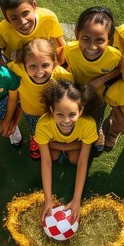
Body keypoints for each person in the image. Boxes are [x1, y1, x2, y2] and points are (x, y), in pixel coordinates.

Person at [35, 81, 99, 222]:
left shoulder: (88, 124)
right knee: (52, 156)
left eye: (72, 114)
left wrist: (76, 200)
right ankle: (62, 148)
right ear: (51, 110)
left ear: (81, 111)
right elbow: (45, 161)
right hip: (72, 144)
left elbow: (83, 162)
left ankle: (61, 147)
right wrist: (47, 199)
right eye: (60, 114)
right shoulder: (43, 124)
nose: (66, 121)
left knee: (75, 160)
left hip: (62, 144)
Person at [62, 7, 123, 151]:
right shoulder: (69, 50)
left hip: (99, 97)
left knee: (97, 115)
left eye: (100, 40)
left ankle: (98, 130)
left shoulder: (115, 56)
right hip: (75, 93)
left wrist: (101, 80)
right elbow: (61, 64)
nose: (92, 46)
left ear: (110, 39)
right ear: (77, 34)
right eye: (86, 38)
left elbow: (120, 69)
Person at [8, 38, 73, 160]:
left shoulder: (63, 75)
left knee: (55, 129)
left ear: (54, 63)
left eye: (45, 65)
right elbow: (6, 66)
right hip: (30, 112)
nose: (39, 71)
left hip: (53, 113)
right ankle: (36, 140)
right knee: (35, 130)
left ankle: (55, 140)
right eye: (33, 66)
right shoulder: (17, 69)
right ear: (24, 65)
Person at [0, 0, 65, 65]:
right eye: (14, 18)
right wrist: (9, 68)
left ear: (34, 5)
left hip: (42, 65)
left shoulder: (49, 19)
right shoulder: (3, 29)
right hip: (17, 67)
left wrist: (57, 65)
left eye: (25, 13)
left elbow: (61, 45)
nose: (23, 22)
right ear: (6, 17)